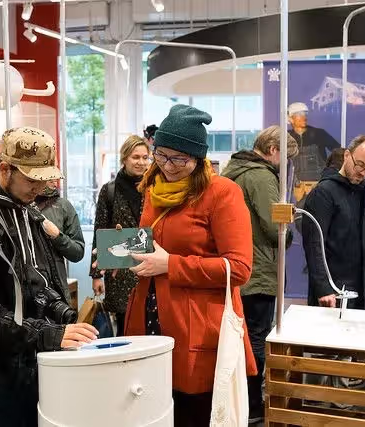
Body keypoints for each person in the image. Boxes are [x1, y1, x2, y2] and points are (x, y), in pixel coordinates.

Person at [0, 127, 97, 427]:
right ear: (5, 169)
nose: (39, 188)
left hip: (23, 361)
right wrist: (46, 335)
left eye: (44, 179)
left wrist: (62, 312)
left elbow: (32, 278)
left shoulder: (22, 209)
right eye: (31, 180)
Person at [123, 105, 257, 426]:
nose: (168, 165)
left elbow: (239, 268)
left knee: (191, 413)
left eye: (179, 159)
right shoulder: (153, 186)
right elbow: (154, 240)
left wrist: (170, 265)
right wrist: (125, 251)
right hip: (149, 317)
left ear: (198, 158)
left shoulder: (222, 193)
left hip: (196, 327)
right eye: (161, 155)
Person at [221, 125, 298, 424]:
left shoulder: (232, 171)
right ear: (273, 150)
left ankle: (243, 402)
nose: (285, 164)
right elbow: (274, 227)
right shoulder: (262, 176)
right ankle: (253, 405)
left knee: (239, 338)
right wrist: (289, 230)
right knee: (256, 339)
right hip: (259, 270)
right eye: (285, 157)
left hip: (236, 269)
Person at [302, 135, 365, 310]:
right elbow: (314, 245)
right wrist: (323, 287)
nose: (363, 173)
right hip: (333, 291)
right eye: (360, 165)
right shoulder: (323, 193)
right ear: (347, 155)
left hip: (363, 291)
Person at [91, 135, 150, 336]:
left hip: (149, 268)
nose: (141, 162)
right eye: (136, 157)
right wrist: (96, 275)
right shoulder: (110, 190)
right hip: (120, 271)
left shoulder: (155, 189)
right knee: (124, 330)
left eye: (145, 157)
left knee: (149, 327)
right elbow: (100, 231)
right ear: (124, 158)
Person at [35, 180, 85, 307]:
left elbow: (78, 252)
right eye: (49, 177)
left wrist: (57, 236)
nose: (55, 181)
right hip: (25, 288)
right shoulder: (17, 204)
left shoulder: (63, 206)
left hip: (56, 289)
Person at [287, 102, 340, 202]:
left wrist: (332, 173)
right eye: (299, 114)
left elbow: (339, 151)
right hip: (298, 187)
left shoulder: (319, 133)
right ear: (290, 119)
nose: (304, 117)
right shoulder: (287, 137)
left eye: (305, 114)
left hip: (319, 185)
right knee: (299, 210)